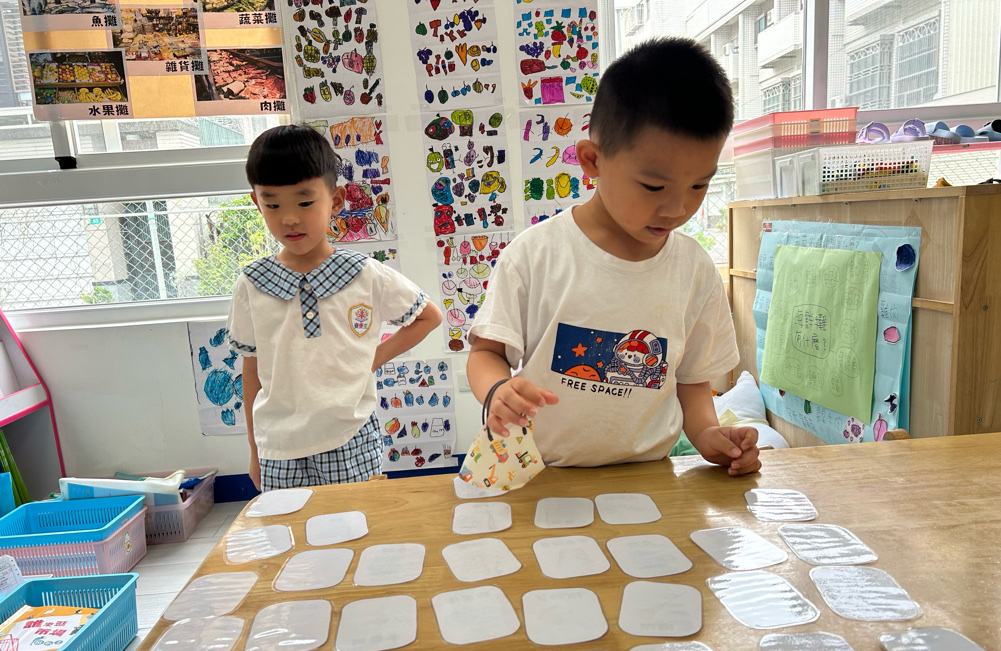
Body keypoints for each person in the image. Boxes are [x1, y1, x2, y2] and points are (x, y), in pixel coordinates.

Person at [466, 37, 760, 476]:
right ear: (592, 161)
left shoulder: (694, 270)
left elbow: (692, 383)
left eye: (699, 185)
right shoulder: (536, 255)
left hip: (651, 475)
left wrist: (708, 437)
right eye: (654, 187)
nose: (678, 208)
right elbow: (486, 352)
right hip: (545, 474)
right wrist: (497, 390)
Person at [229, 125, 442, 491]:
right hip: (279, 447)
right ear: (257, 202)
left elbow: (428, 316)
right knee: (288, 527)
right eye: (273, 204)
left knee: (358, 522)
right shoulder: (252, 283)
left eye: (305, 202)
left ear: (336, 199)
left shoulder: (364, 273)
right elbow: (252, 370)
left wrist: (372, 359)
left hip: (350, 437)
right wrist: (254, 451)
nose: (289, 218)